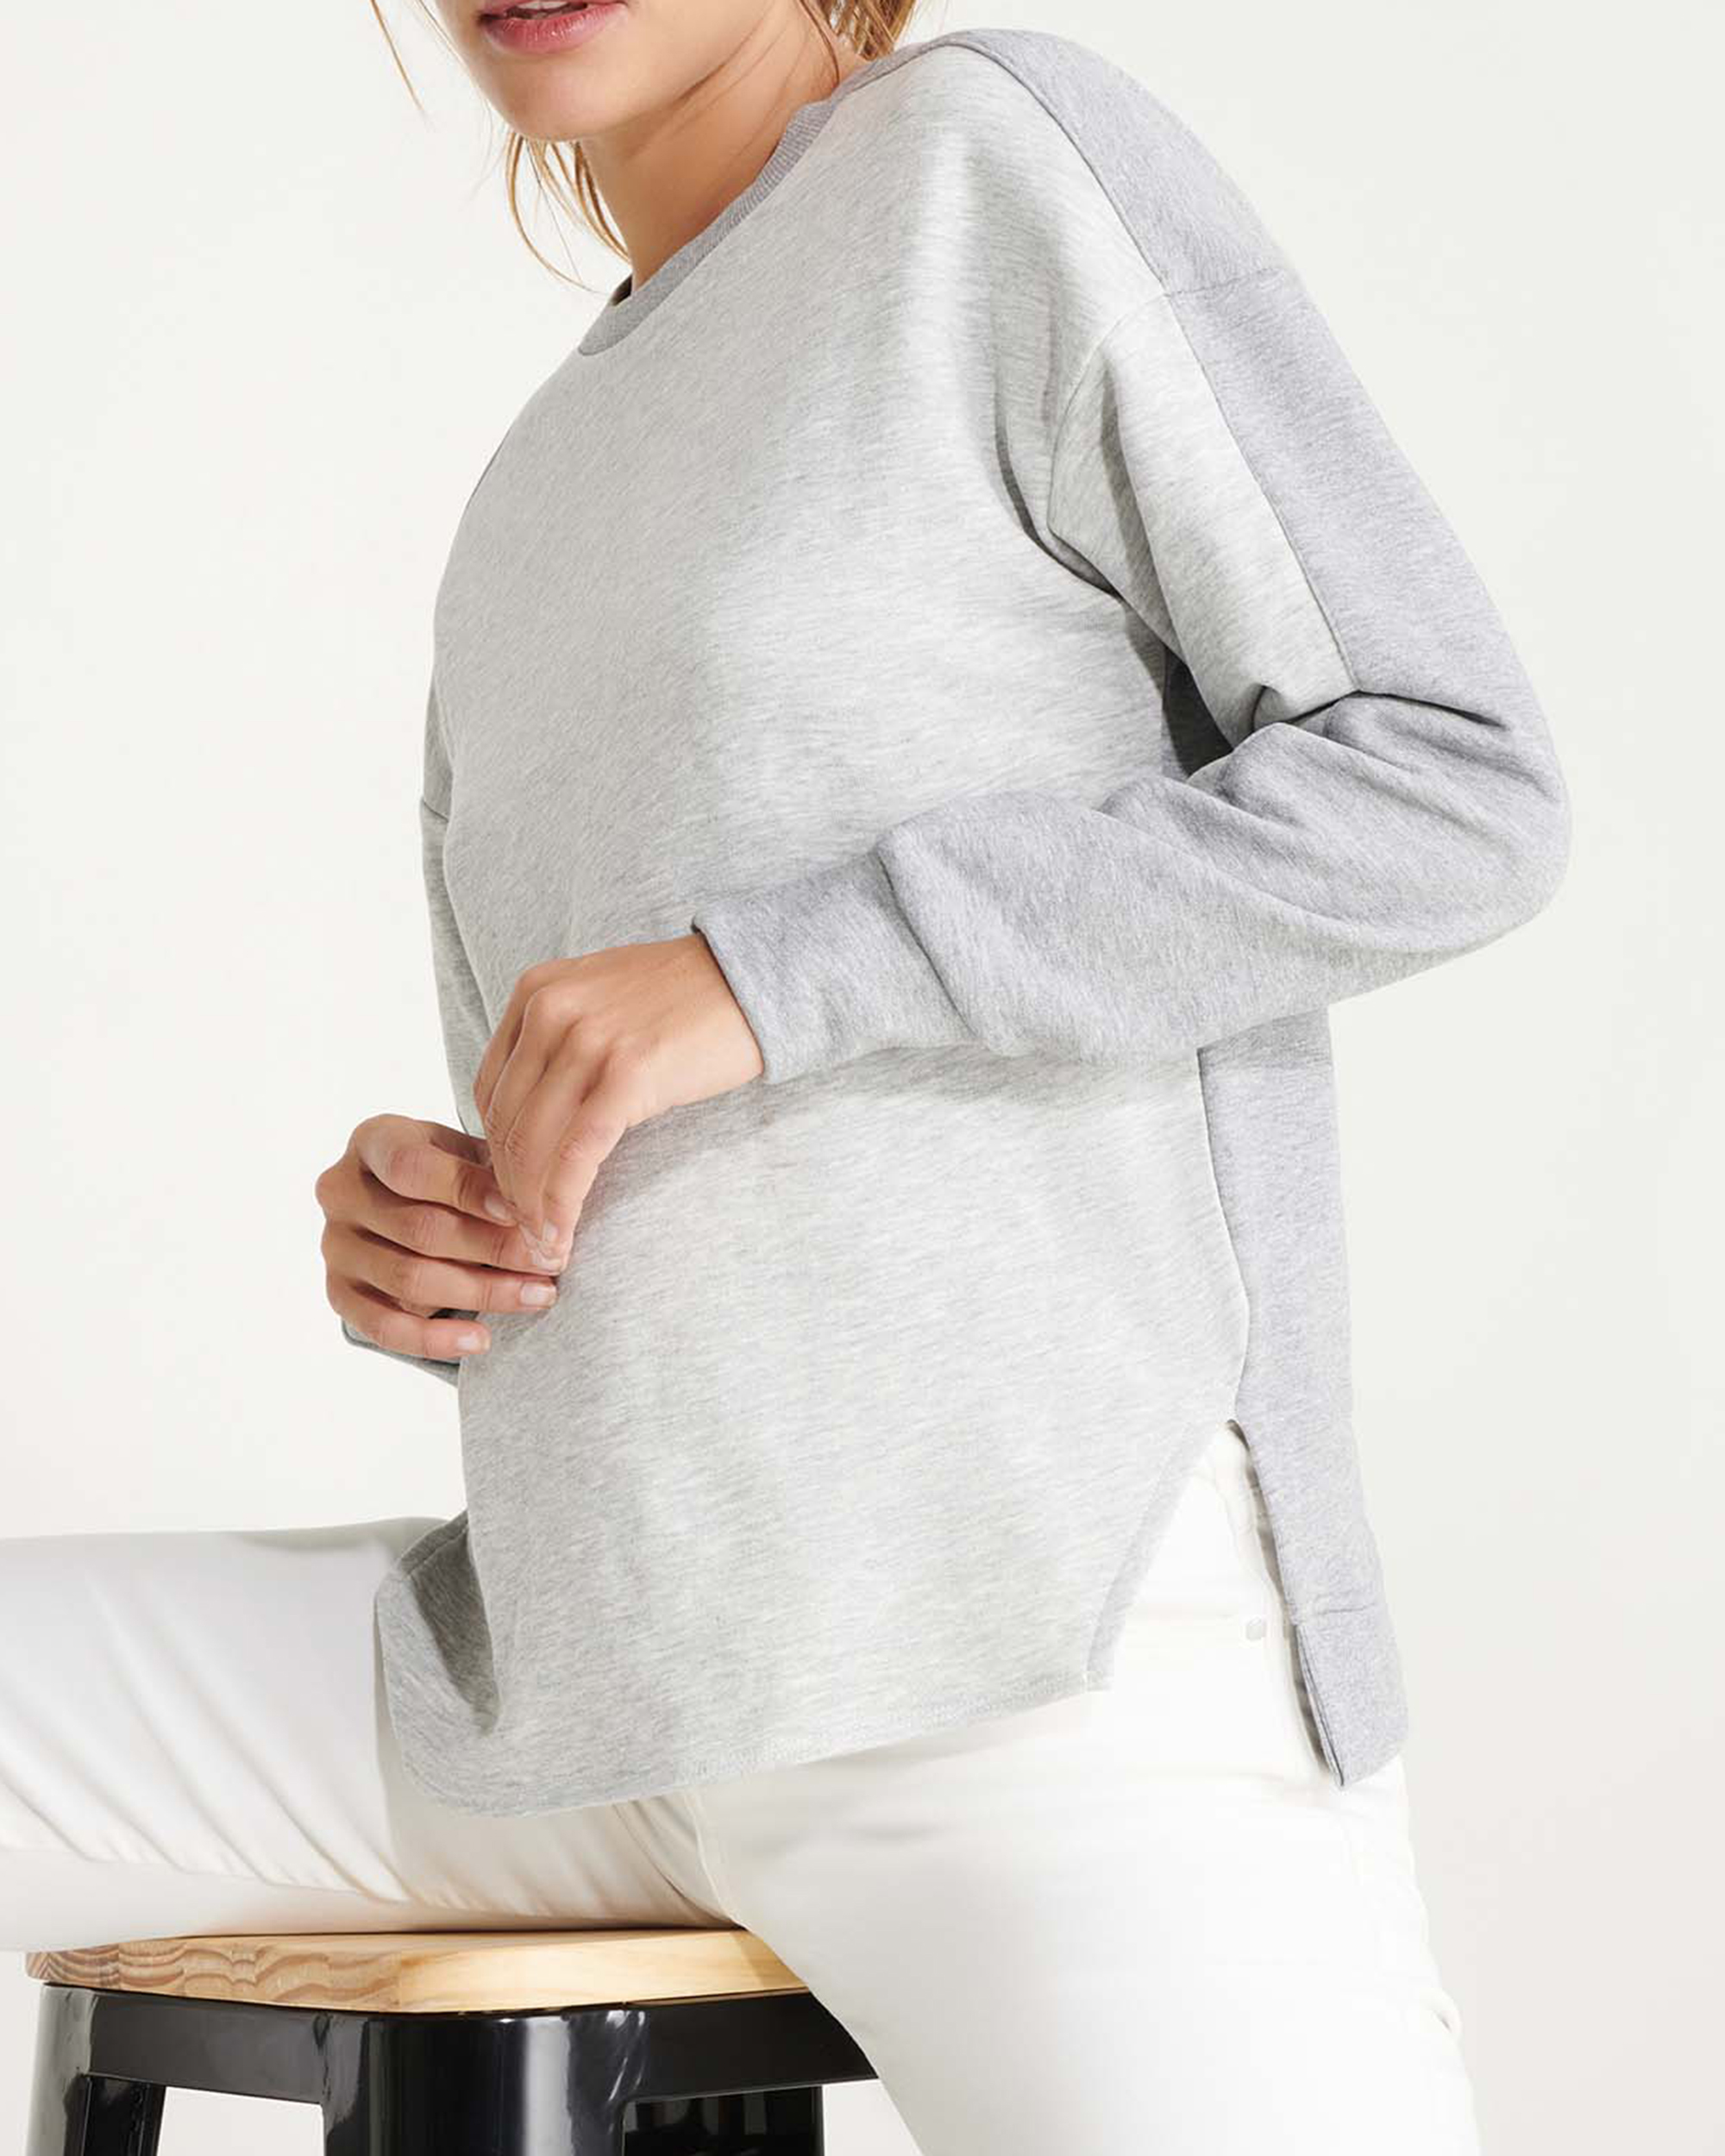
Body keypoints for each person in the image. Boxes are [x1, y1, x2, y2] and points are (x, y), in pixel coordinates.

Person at [2, 5, 1568, 2149]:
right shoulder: (544, 474)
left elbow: (1451, 785)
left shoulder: (984, 169)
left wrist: (773, 971)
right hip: (577, 1693)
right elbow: (640, 1101)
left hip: (1029, 1681)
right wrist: (439, 1235)